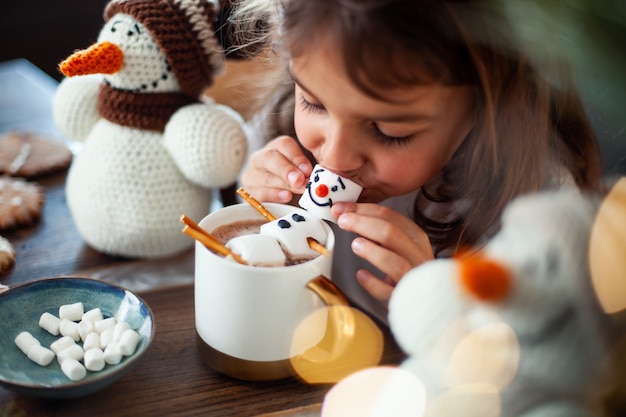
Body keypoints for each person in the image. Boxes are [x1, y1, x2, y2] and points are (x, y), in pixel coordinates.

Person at [230, 0, 602, 320]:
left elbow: (531, 371)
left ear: (488, 106)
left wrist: (442, 309)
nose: (334, 157)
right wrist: (249, 203)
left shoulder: (534, 219)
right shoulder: (279, 125)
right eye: (312, 102)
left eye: (390, 132)